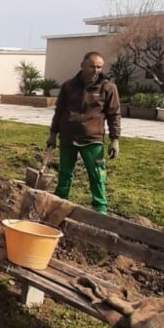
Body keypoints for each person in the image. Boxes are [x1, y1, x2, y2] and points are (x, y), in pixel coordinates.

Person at [45, 51, 121, 213]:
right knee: (65, 173)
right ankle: (59, 204)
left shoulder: (108, 88)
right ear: (82, 66)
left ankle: (100, 209)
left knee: (97, 176)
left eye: (99, 67)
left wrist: (115, 139)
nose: (96, 70)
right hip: (68, 137)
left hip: (92, 139)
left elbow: (114, 115)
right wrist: (53, 134)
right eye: (92, 66)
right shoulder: (68, 86)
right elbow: (59, 112)